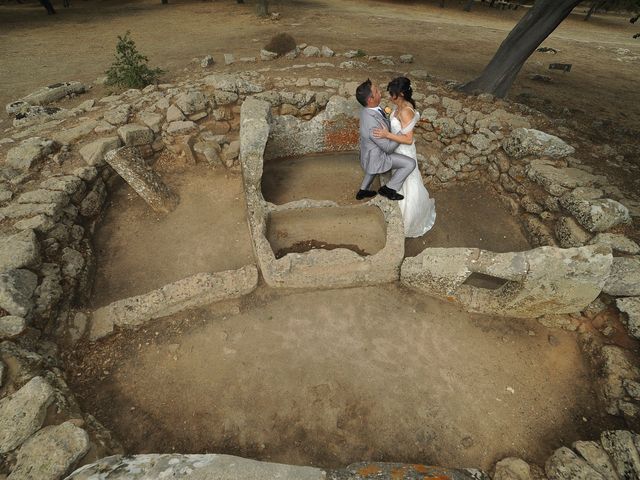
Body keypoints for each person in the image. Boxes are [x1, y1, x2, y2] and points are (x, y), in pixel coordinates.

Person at [373, 77, 436, 237]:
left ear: (400, 94)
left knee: (409, 182)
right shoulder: (398, 106)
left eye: (392, 94)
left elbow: (408, 139)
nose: (390, 96)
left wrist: (387, 134)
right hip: (397, 149)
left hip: (404, 151)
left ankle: (409, 220)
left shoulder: (406, 111)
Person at [355, 79, 415, 201]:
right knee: (410, 164)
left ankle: (362, 191)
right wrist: (401, 131)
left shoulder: (369, 110)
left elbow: (382, 117)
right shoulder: (372, 123)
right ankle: (388, 189)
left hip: (370, 153)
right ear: (370, 99)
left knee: (372, 168)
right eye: (376, 91)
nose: (380, 92)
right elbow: (387, 148)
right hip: (378, 155)